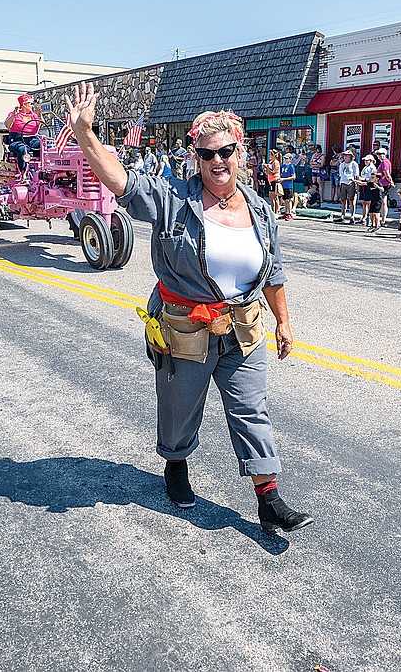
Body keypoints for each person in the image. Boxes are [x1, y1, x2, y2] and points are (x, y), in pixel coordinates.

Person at [64, 81, 313, 534]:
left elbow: (272, 271)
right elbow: (121, 179)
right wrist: (86, 134)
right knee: (180, 409)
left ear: (241, 154)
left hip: (242, 327)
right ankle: (176, 463)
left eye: (227, 151)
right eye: (208, 154)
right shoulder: (174, 201)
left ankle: (268, 496)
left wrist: (284, 322)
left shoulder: (259, 208)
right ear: (195, 158)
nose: (218, 161)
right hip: (184, 328)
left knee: (251, 409)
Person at [4, 94, 43, 177]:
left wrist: (39, 116)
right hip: (17, 140)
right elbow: (7, 125)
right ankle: (23, 172)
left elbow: (41, 125)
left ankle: (45, 170)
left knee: (44, 146)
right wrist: (14, 116)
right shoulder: (14, 114)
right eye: (31, 104)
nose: (32, 106)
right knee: (23, 148)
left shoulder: (33, 115)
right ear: (24, 104)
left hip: (32, 139)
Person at [373, 147, 393, 228]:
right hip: (382, 183)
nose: (379, 156)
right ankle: (383, 220)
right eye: (378, 154)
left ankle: (383, 220)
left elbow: (387, 174)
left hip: (384, 183)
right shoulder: (384, 162)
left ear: (385, 154)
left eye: (381, 154)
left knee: (382, 201)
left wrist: (391, 181)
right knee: (383, 201)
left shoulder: (384, 162)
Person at [359, 154, 379, 230]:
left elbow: (372, 179)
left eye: (367, 160)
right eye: (365, 160)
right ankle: (364, 217)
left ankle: (370, 220)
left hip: (368, 186)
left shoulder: (373, 168)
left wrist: (363, 179)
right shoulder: (365, 168)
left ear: (371, 161)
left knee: (368, 202)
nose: (365, 162)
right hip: (363, 185)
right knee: (363, 202)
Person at [279, 151, 296, 221]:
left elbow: (293, 177)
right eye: (285, 158)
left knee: (288, 200)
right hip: (283, 185)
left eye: (287, 158)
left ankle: (289, 213)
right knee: (285, 200)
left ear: (290, 159)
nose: (285, 160)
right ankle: (286, 213)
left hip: (289, 185)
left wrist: (284, 179)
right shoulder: (282, 166)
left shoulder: (291, 166)